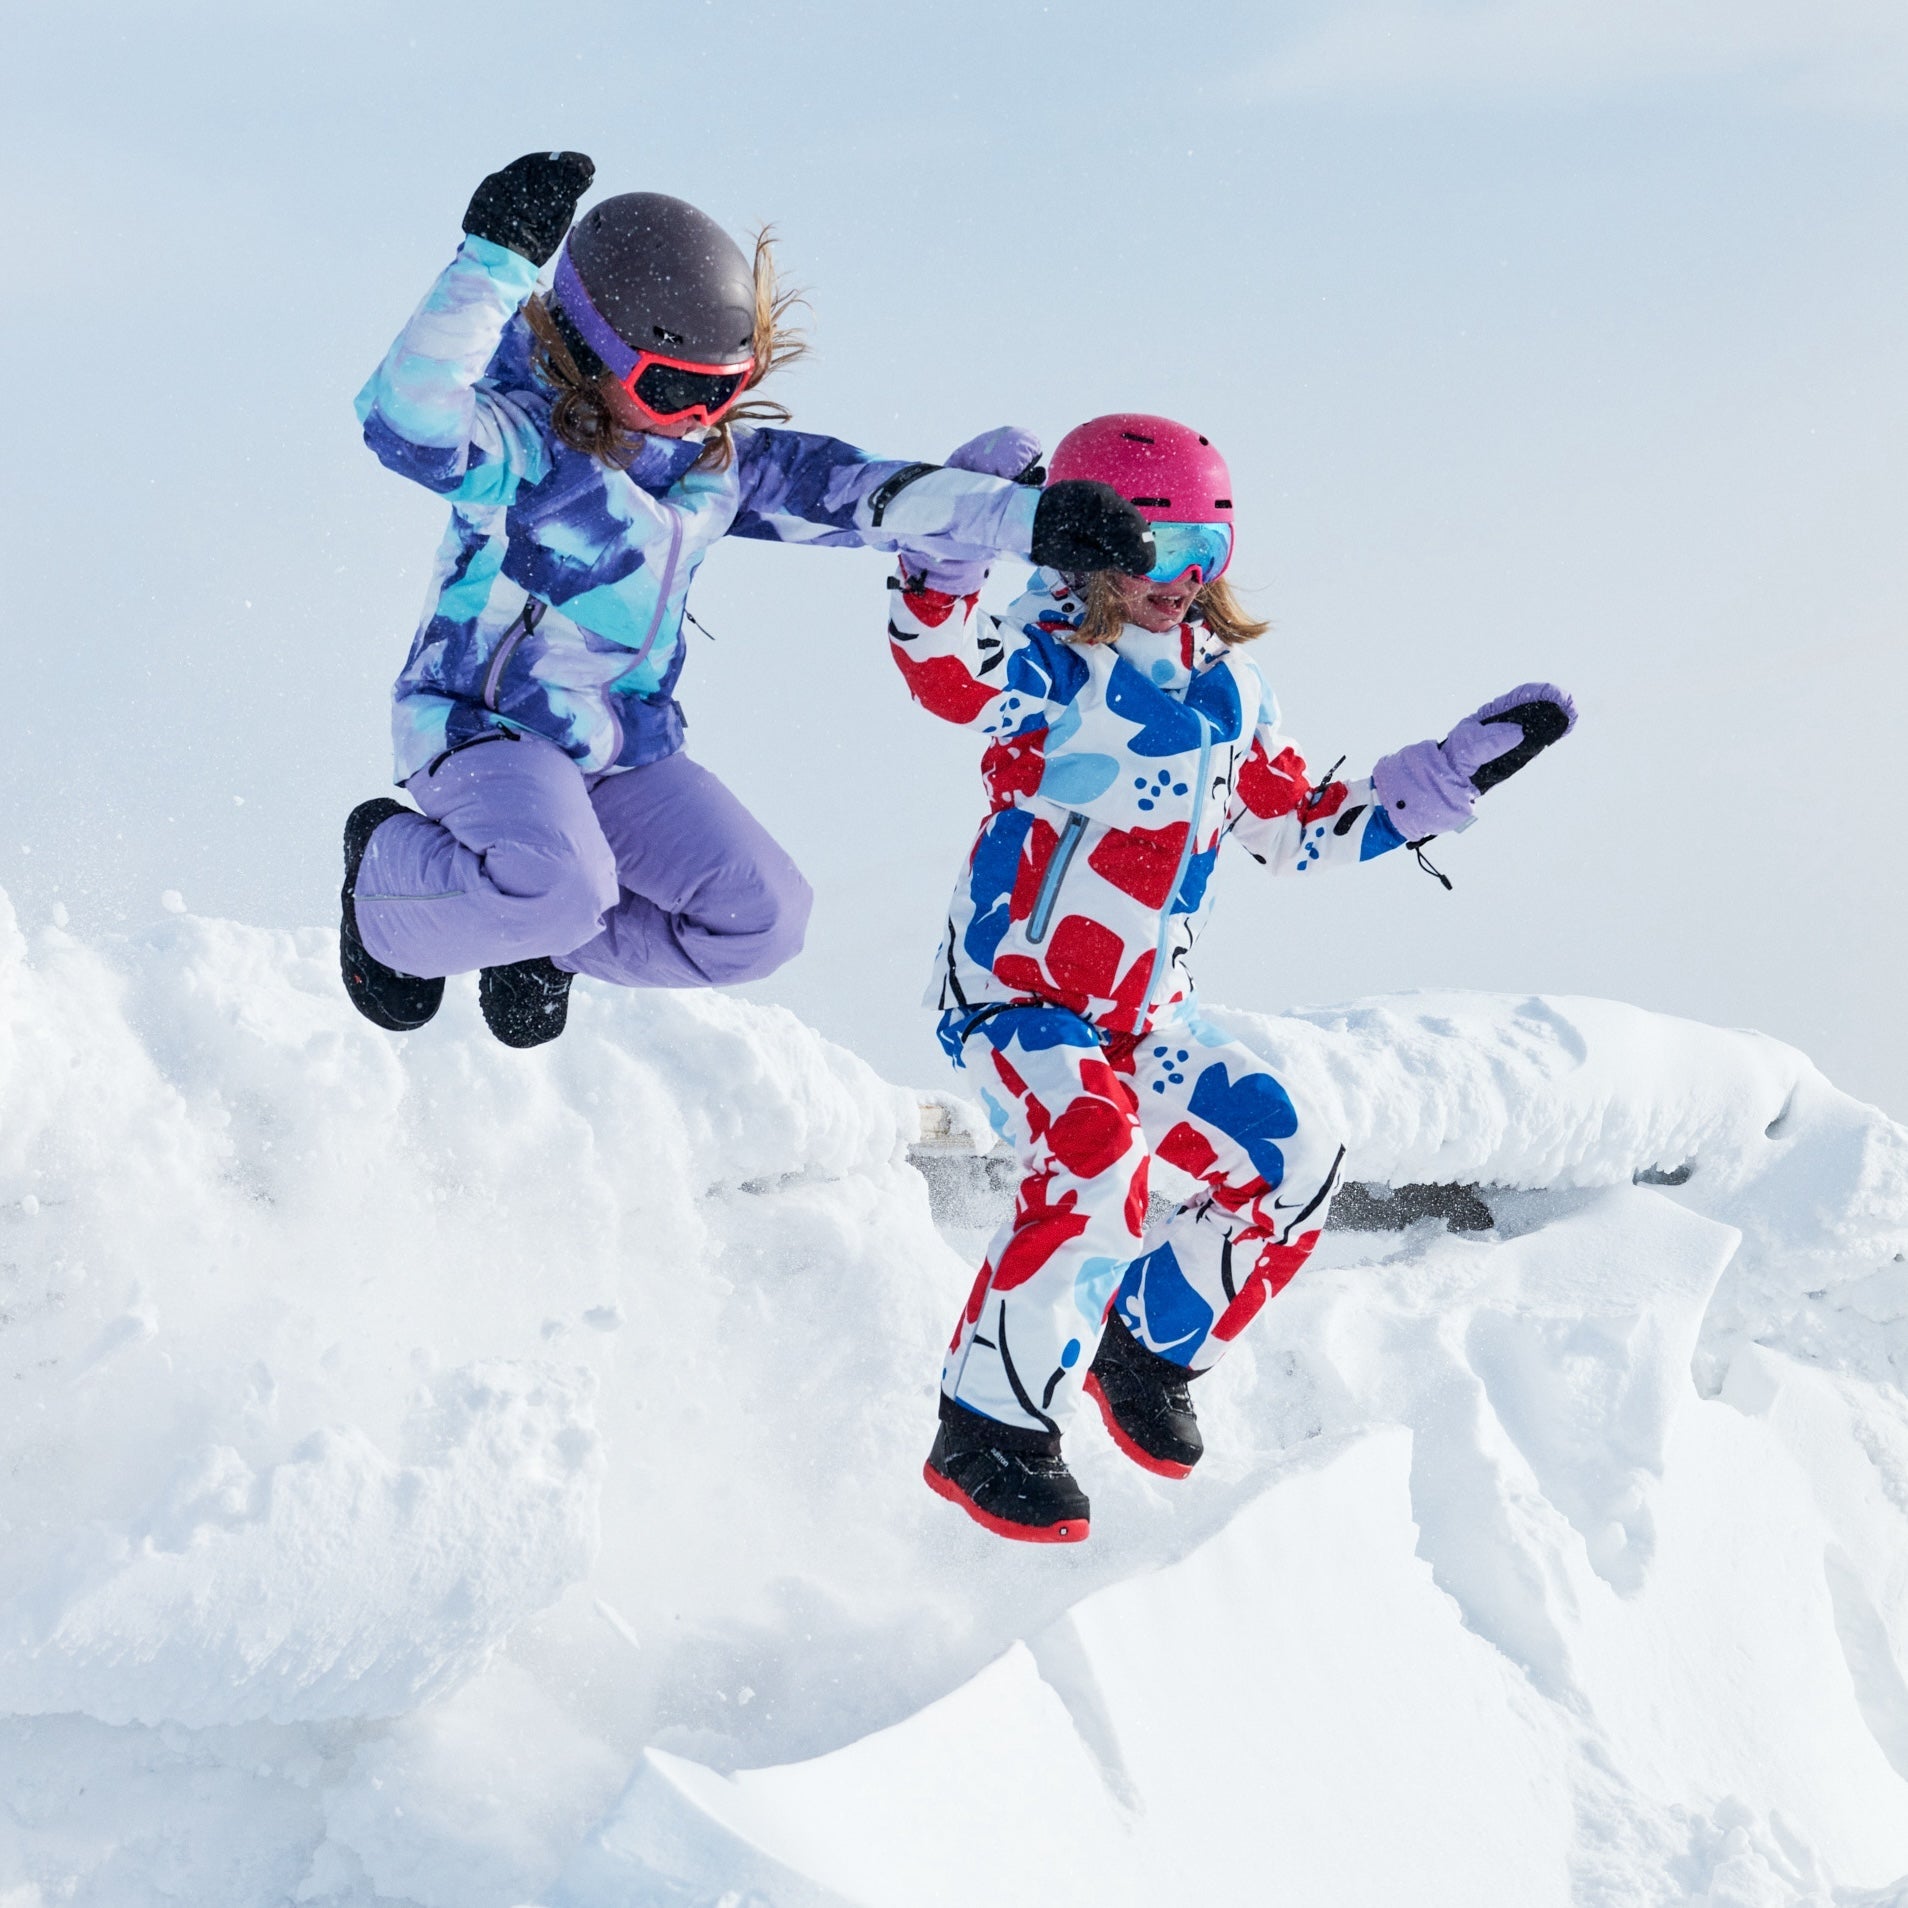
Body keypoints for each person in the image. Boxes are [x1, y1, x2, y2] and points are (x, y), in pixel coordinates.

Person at [888, 414, 1576, 1542]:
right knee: (1096, 1161)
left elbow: (1294, 828)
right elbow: (946, 673)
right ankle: (989, 1428)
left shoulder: (1230, 694)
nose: (1180, 581)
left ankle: (1143, 1350)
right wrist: (956, 538)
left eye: (1205, 554)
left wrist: (1443, 780)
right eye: (1152, 552)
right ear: (1080, 547)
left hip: (1146, 1013)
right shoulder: (1045, 662)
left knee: (1293, 1153)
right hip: (1020, 997)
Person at [342, 152, 1149, 1047]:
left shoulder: (715, 468)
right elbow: (406, 421)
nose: (701, 414)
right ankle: (386, 885)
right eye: (673, 387)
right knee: (560, 885)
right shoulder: (523, 444)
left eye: (725, 389)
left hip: (622, 745)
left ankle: (543, 941)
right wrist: (494, 260)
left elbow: (863, 495)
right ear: (587, 353)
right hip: (485, 729)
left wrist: (1031, 522)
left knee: (762, 919)